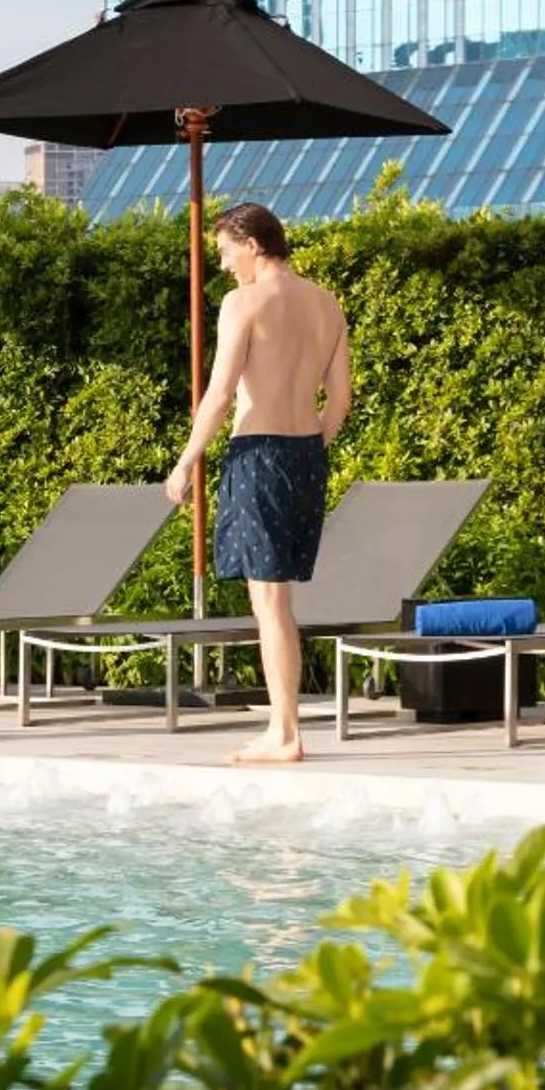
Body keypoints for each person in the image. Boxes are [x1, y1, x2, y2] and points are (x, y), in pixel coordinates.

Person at [164, 202, 350, 765]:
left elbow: (220, 394)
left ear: (251, 243)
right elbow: (339, 401)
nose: (222, 264)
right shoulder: (326, 304)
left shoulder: (242, 302)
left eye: (224, 251)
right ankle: (283, 727)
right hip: (306, 455)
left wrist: (186, 461)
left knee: (268, 601)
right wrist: (311, 446)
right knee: (277, 598)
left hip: (259, 451)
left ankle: (285, 733)